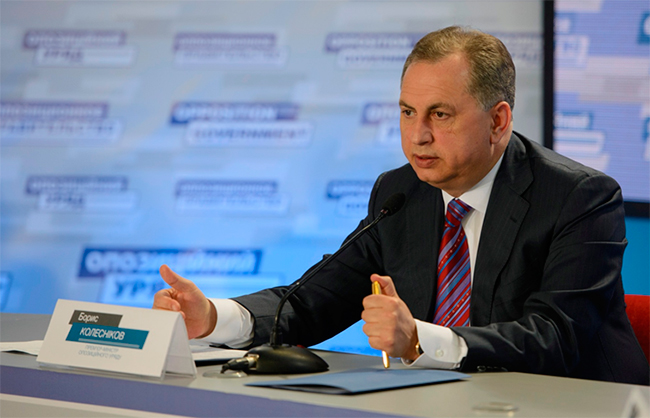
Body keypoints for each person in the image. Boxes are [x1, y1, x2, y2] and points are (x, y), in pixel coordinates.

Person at [154, 26, 649, 385]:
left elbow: (555, 337)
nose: (418, 135)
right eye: (408, 112)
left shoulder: (579, 197)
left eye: (440, 114)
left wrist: (420, 340)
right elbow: (310, 301)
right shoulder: (401, 192)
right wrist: (213, 317)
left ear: (498, 121)